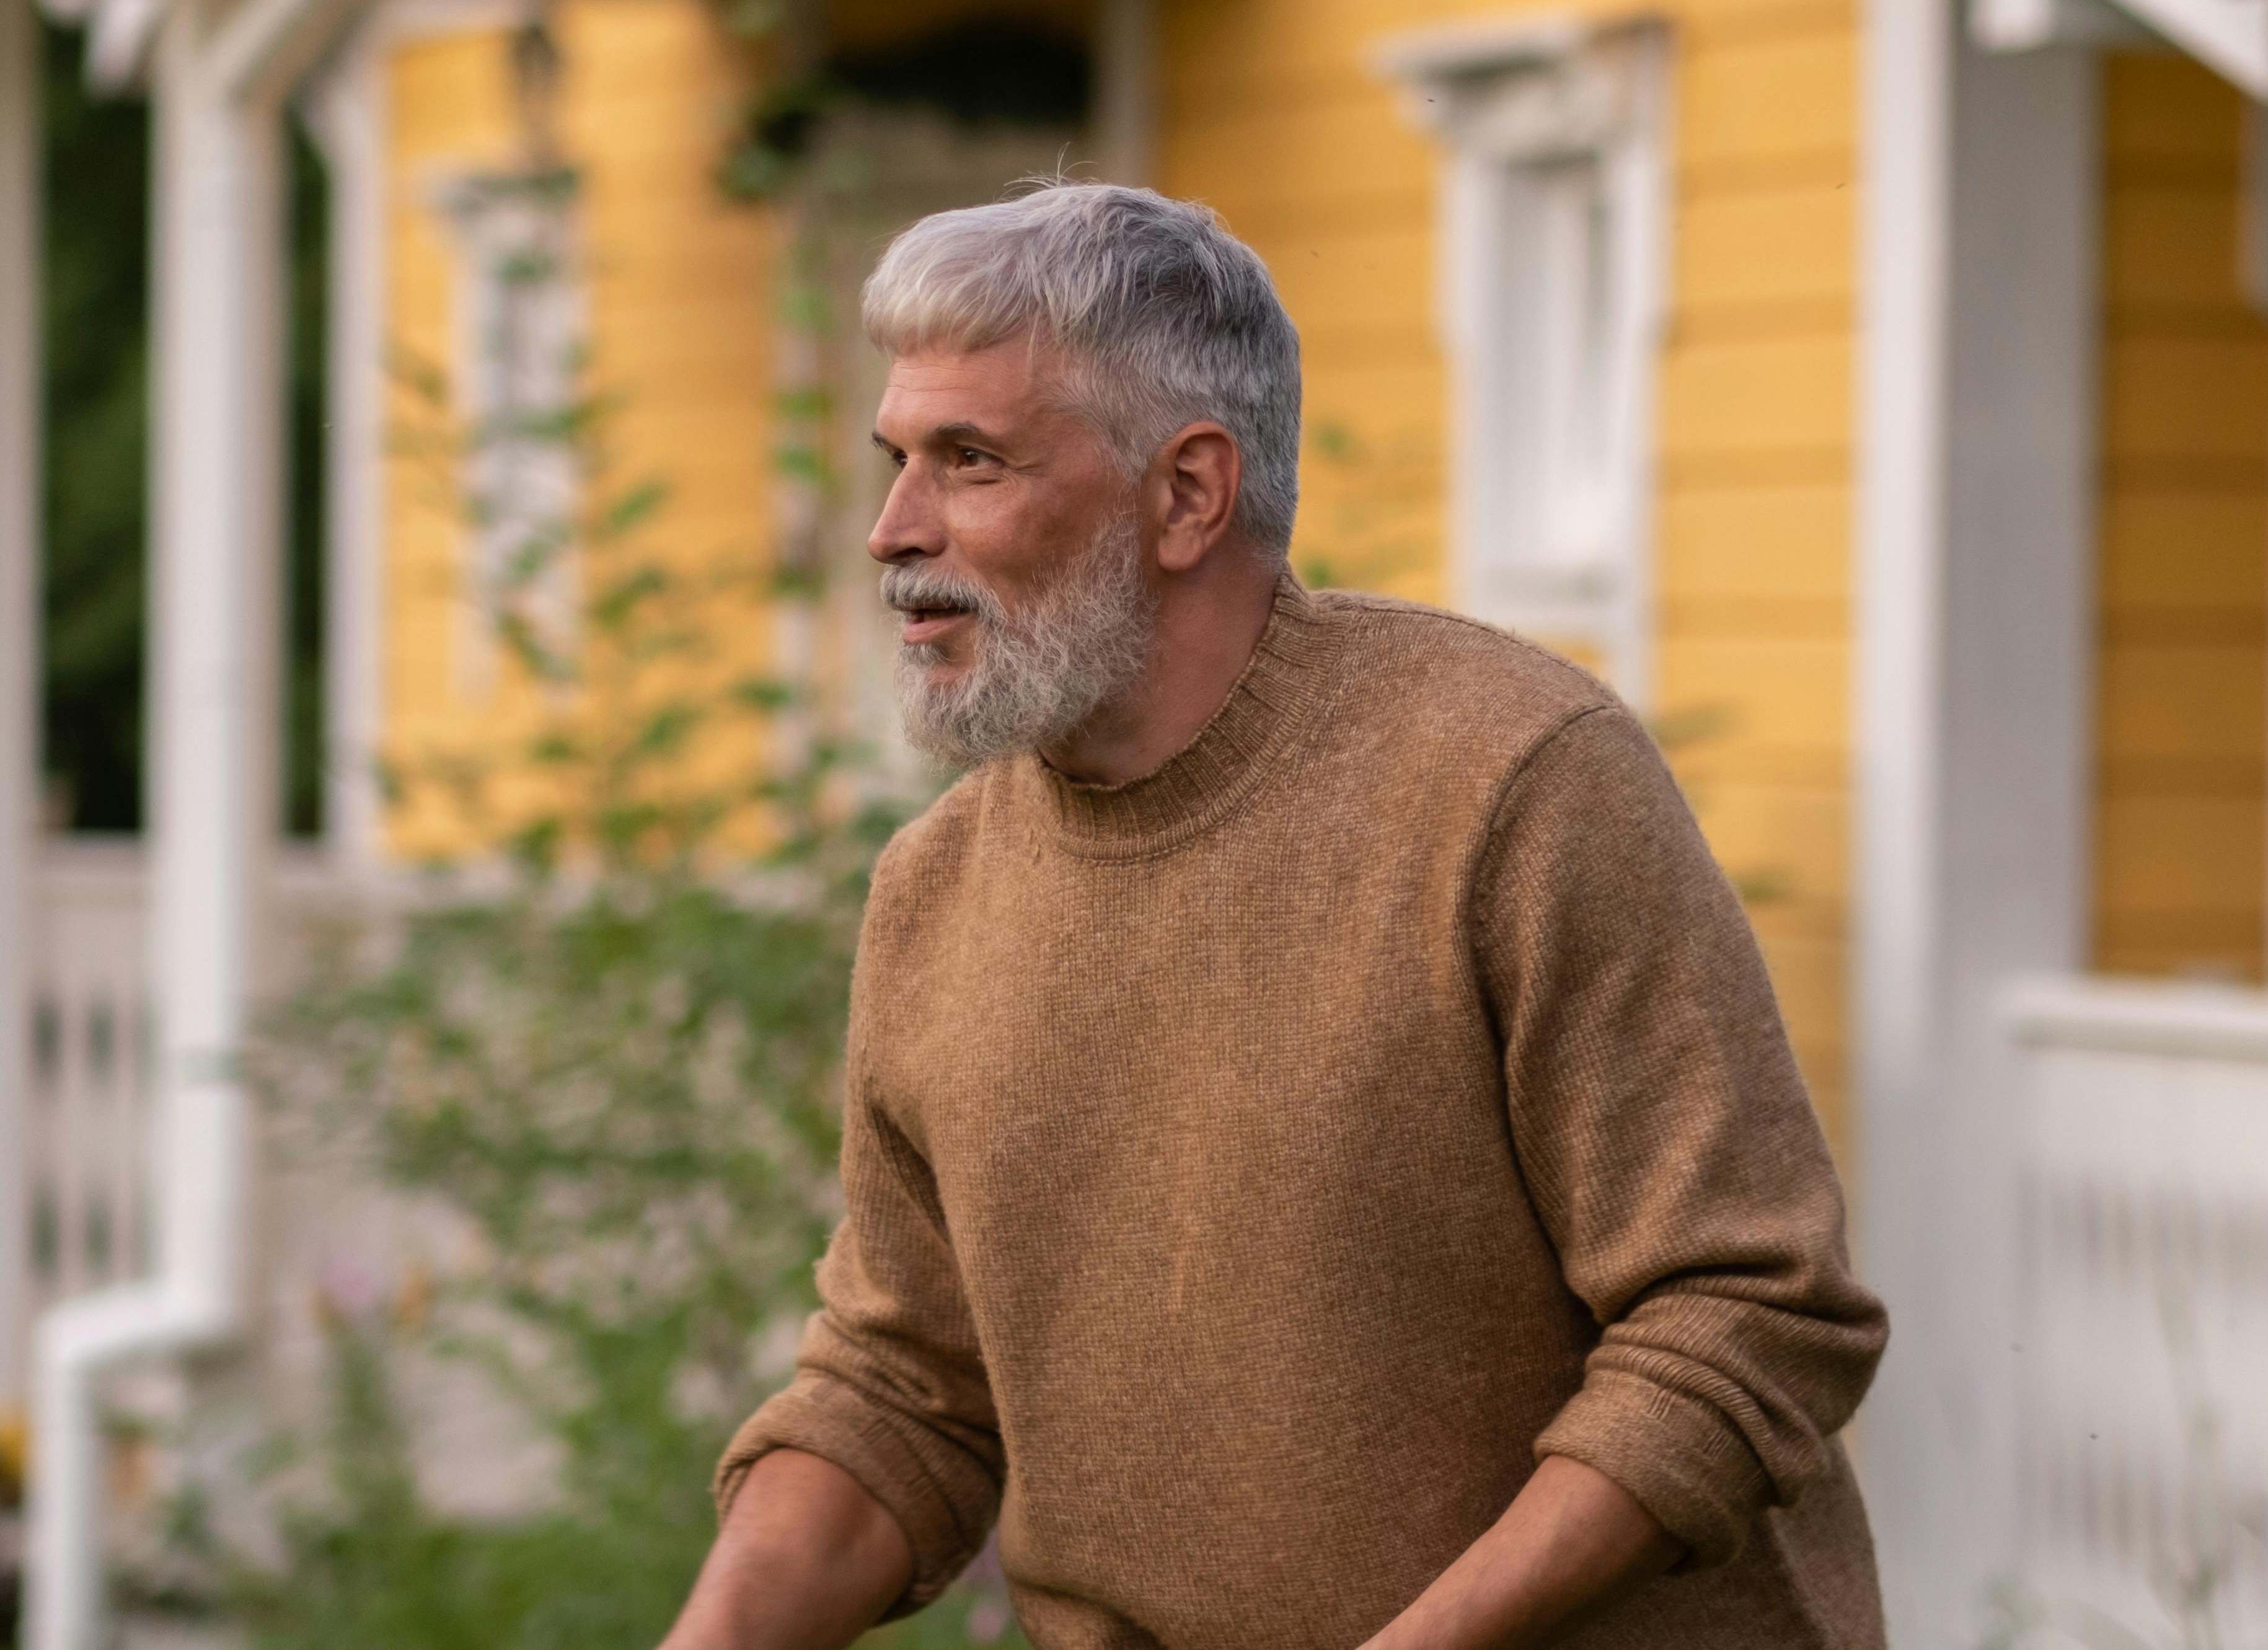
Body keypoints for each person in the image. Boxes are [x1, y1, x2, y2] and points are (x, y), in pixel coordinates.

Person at [658, 182, 1889, 1650]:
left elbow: (1744, 1315)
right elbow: (904, 1390)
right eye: (896, 458)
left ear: (1187, 493)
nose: (889, 528)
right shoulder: (933, 891)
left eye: (969, 462)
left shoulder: (1508, 781)